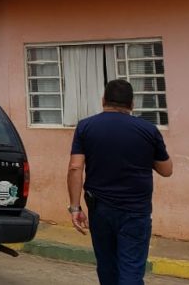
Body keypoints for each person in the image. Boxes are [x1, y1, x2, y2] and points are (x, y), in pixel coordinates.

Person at [67, 79, 173, 285]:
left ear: (103, 100)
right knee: (131, 269)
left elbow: (75, 167)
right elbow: (166, 170)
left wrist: (75, 208)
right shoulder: (148, 130)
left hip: (100, 210)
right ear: (132, 104)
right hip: (136, 212)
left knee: (107, 266)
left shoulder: (85, 127)